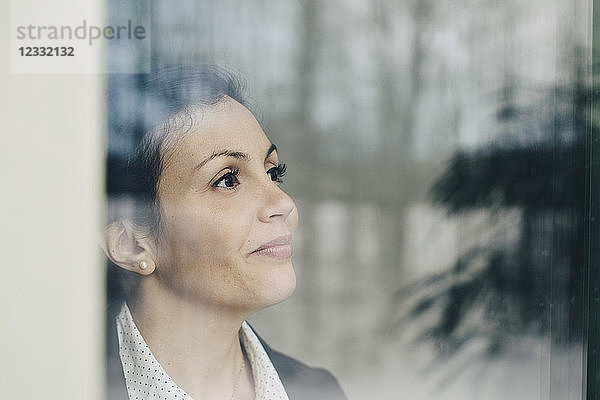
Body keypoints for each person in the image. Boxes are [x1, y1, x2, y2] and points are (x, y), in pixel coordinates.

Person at [102, 65, 346, 400]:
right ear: (132, 244)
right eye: (228, 179)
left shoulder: (320, 392)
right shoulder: (59, 383)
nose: (283, 203)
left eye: (273, 173)